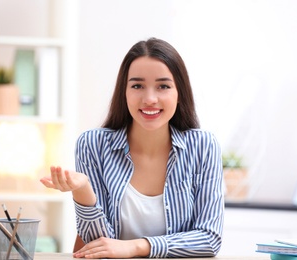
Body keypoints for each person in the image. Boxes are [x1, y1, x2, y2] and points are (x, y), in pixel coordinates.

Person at [40, 37, 224, 258]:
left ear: (179, 93)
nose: (150, 98)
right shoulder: (93, 145)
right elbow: (97, 245)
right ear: (124, 92)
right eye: (137, 85)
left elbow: (209, 239)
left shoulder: (203, 146)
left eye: (163, 86)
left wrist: (137, 246)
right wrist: (83, 191)